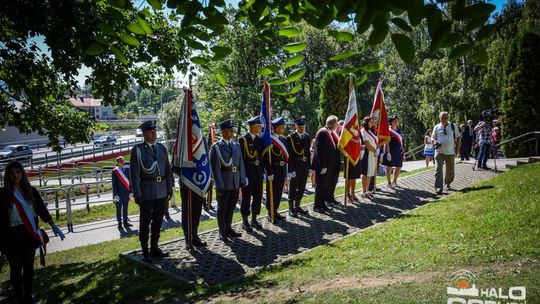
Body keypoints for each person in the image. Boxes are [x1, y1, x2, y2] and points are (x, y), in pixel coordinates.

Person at [0, 161, 65, 304]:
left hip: (28, 234)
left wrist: (53, 225)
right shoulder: (3, 194)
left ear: (22, 174)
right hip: (12, 237)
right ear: (7, 176)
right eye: (11, 173)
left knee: (29, 268)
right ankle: (19, 298)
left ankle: (28, 296)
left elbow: (41, 209)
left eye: (18, 172)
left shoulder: (31, 191)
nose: (15, 175)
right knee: (16, 270)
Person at [130, 120, 174, 261]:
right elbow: (134, 174)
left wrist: (169, 187)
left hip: (161, 191)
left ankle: (154, 248)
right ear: (144, 134)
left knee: (158, 222)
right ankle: (145, 251)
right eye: (150, 131)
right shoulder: (137, 150)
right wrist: (137, 193)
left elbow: (168, 170)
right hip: (146, 192)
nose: (154, 134)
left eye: (155, 131)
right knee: (145, 223)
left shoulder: (161, 148)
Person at [209, 119, 247, 242]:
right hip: (224, 182)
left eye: (232, 130)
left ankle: (229, 228)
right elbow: (214, 168)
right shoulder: (216, 147)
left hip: (235, 181)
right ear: (223, 132)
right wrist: (219, 185)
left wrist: (242, 179)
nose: (231, 132)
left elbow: (241, 163)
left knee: (231, 207)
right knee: (222, 208)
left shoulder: (236, 145)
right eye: (229, 130)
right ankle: (222, 231)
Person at [239, 116, 265, 232]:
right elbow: (241, 160)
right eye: (259, 126)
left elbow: (261, 158)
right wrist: (243, 176)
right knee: (246, 198)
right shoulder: (243, 140)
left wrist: (263, 172)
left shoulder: (259, 140)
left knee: (258, 197)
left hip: (258, 173)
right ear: (253, 127)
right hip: (248, 174)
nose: (260, 128)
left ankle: (254, 219)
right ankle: (245, 221)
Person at [312, 115, 340, 214]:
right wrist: (323, 166)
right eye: (336, 123)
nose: (337, 125)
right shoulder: (323, 132)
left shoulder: (328, 132)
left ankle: (322, 204)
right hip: (322, 166)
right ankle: (317, 206)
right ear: (333, 124)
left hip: (327, 165)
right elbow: (321, 151)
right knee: (320, 186)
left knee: (325, 185)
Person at [265, 117, 289, 223]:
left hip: (282, 169)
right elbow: (266, 157)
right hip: (273, 169)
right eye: (282, 127)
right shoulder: (269, 139)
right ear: (277, 128)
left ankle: (275, 210)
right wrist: (269, 171)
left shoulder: (283, 139)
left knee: (279, 191)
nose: (283, 128)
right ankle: (270, 212)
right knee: (272, 191)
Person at [286, 117, 311, 217]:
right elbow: (290, 155)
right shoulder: (290, 137)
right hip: (295, 166)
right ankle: (291, 207)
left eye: (303, 127)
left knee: (302, 187)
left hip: (304, 166)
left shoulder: (306, 136)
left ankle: (298, 206)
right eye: (300, 127)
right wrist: (291, 169)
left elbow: (308, 153)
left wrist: (309, 167)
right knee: (293, 188)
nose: (301, 129)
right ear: (296, 126)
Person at [432, 111, 461, 194]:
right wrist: (434, 142)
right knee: (438, 170)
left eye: (445, 117)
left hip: (450, 151)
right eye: (442, 118)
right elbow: (433, 137)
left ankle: (447, 183)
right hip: (439, 152)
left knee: (450, 170)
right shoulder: (437, 127)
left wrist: (458, 150)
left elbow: (458, 138)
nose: (443, 119)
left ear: (448, 118)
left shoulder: (453, 126)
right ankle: (438, 187)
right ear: (439, 118)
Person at [382, 115, 404, 188]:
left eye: (397, 121)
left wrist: (402, 149)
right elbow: (386, 142)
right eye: (394, 121)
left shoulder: (399, 130)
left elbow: (401, 141)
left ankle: (394, 181)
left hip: (398, 150)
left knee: (399, 166)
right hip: (390, 150)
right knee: (389, 167)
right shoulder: (388, 130)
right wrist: (388, 152)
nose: (396, 122)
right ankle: (389, 183)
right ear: (391, 122)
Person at [112, 156, 132, 229]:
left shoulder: (127, 169)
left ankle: (125, 222)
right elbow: (114, 184)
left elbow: (130, 181)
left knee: (125, 208)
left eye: (123, 161)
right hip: (119, 194)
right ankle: (119, 223)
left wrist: (131, 192)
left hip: (126, 193)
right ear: (118, 163)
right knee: (119, 209)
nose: (123, 162)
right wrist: (115, 195)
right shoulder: (115, 171)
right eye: (121, 161)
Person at [360, 117, 378, 199]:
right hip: (367, 154)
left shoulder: (370, 131)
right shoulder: (363, 131)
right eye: (371, 122)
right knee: (365, 173)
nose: (372, 123)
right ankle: (363, 191)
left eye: (373, 122)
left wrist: (376, 150)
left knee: (370, 172)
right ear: (366, 122)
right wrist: (374, 150)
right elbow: (367, 144)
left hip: (372, 154)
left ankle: (367, 190)